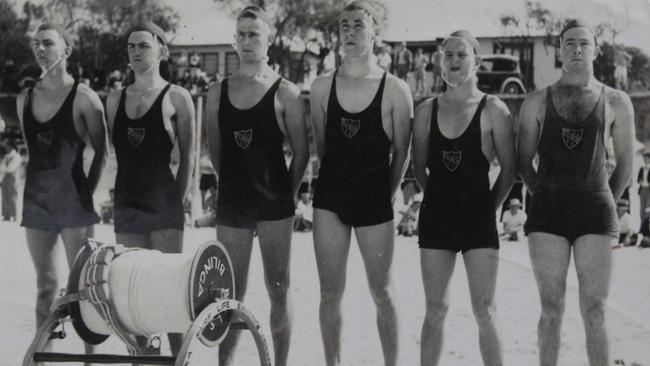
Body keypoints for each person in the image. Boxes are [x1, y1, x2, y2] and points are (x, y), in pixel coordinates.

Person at [518, 20, 634, 366]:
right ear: (559, 51)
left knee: (595, 310)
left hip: (595, 210)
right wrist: (542, 194)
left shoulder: (617, 100)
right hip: (548, 212)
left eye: (584, 43)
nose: (577, 50)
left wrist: (604, 201)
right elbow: (524, 162)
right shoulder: (537, 100)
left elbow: (625, 164)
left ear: (596, 50)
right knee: (551, 309)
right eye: (569, 44)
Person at [205, 6, 309, 366]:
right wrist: (235, 186)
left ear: (270, 38)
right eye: (241, 34)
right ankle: (226, 362)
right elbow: (215, 151)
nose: (247, 41)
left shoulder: (287, 92)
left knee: (278, 288)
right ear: (234, 40)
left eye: (254, 34)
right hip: (233, 202)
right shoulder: (217, 92)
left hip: (274, 204)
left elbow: (302, 152)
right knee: (229, 293)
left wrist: (285, 195)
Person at [310, 2, 412, 364]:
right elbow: (322, 147)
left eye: (358, 25)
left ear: (374, 34)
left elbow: (402, 153)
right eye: (344, 26)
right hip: (331, 197)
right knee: (329, 293)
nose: (350, 32)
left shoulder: (396, 90)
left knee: (382, 291)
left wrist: (385, 194)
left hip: (375, 197)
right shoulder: (322, 87)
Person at [413, 30, 516, 366]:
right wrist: (439, 201)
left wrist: (488, 208)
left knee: (485, 309)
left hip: (478, 220)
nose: (454, 61)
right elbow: (418, 167)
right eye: (448, 55)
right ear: (441, 63)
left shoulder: (494, 109)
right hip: (437, 218)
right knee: (435, 309)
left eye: (461, 55)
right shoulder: (426, 110)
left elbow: (510, 169)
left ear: (477, 61)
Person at [15, 23, 107, 356]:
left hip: (74, 205)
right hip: (37, 204)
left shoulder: (84, 97)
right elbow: (32, 152)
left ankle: (89, 359)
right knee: (45, 287)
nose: (41, 49)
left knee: (82, 289)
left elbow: (103, 151)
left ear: (66, 50)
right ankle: (45, 358)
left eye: (48, 43)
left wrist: (85, 194)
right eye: (36, 44)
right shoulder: (25, 98)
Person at [105, 21, 196, 357]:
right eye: (131, 46)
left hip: (164, 203)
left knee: (170, 293)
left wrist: (177, 201)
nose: (135, 52)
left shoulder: (177, 97)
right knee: (133, 296)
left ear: (162, 50)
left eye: (143, 45)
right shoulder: (114, 99)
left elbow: (189, 157)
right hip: (127, 203)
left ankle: (179, 361)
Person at [1, 139, 22, 221]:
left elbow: (11, 168)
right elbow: (1, 167)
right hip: (5, 178)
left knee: (12, 196)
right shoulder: (6, 156)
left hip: (13, 178)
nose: (6, 147)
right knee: (5, 196)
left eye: (7, 145)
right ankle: (6, 215)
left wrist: (4, 168)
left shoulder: (17, 156)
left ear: (11, 146)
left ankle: (14, 214)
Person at [637, 151, 650, 223]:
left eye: (646, 158)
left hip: (649, 190)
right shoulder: (641, 169)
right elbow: (638, 180)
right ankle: (642, 227)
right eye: (644, 158)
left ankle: (646, 227)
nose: (644, 160)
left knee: (648, 209)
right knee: (641, 209)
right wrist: (640, 181)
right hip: (642, 190)